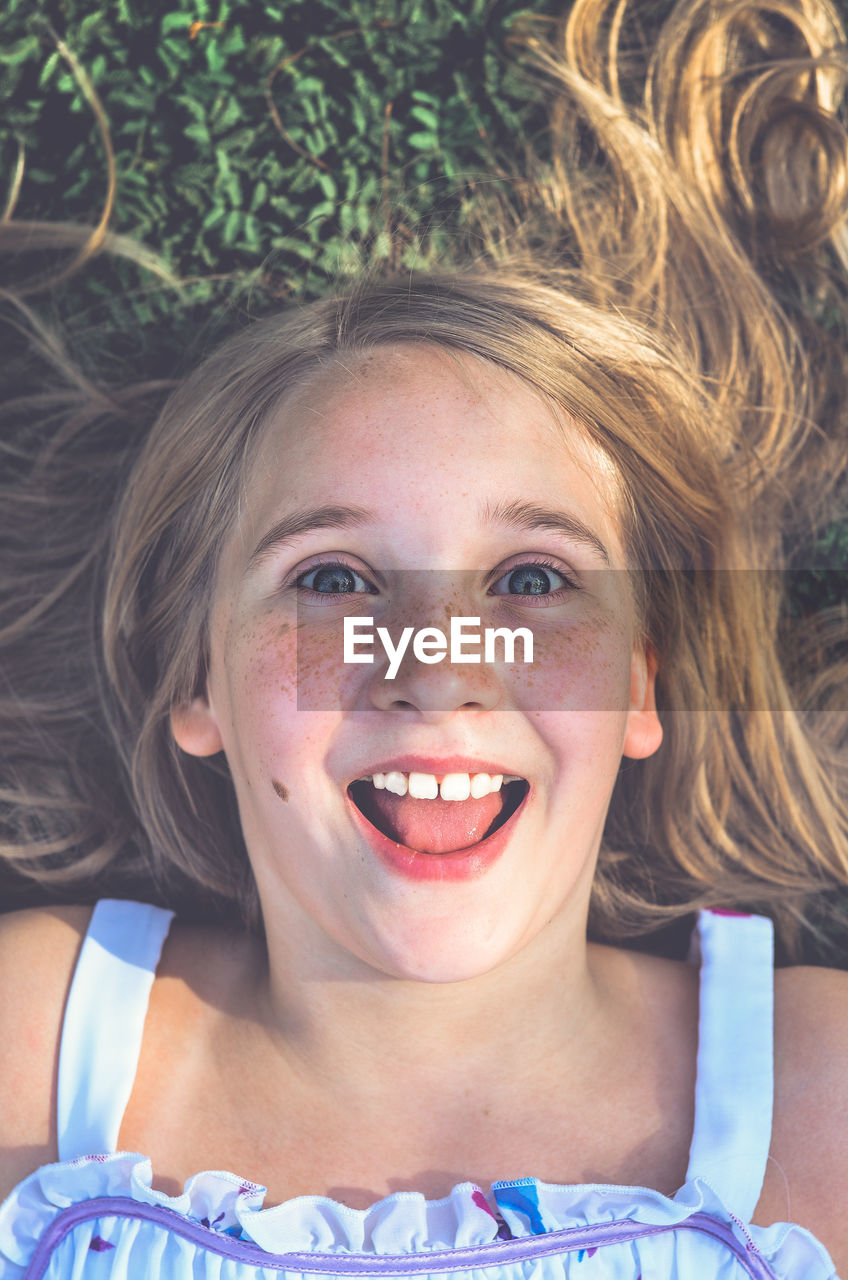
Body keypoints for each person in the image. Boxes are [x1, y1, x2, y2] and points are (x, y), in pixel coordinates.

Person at [1, 0, 848, 1275]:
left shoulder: (822, 1088)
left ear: (639, 677)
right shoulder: (34, 1041)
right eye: (334, 576)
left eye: (528, 579)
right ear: (196, 674)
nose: (439, 671)